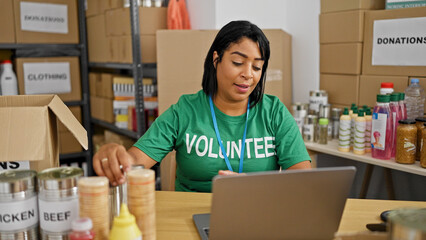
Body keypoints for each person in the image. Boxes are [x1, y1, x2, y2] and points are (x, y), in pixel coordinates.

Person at [93, 20, 311, 192]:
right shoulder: (185, 111)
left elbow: (303, 180)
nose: (248, 74)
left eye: (257, 67)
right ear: (216, 59)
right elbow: (133, 162)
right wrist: (114, 155)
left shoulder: (274, 112)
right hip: (191, 215)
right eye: (238, 63)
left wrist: (253, 189)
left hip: (258, 212)